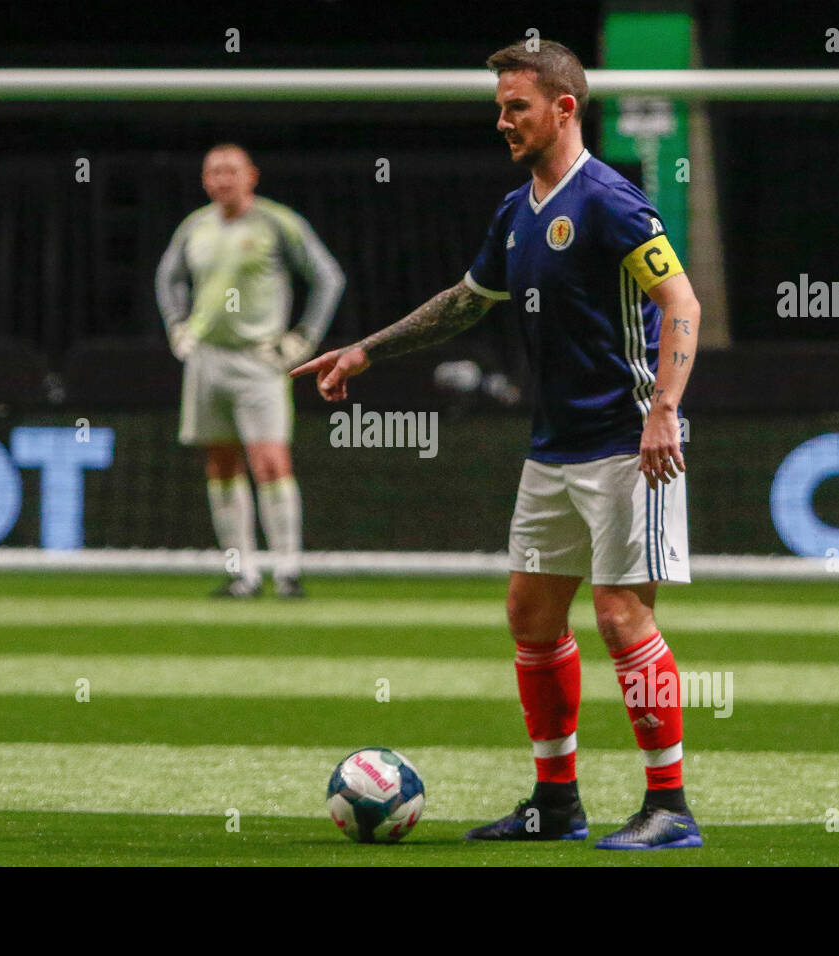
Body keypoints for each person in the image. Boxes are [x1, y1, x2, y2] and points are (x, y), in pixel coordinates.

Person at [294, 40, 704, 849]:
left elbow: (682, 302)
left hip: (629, 442)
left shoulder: (613, 201)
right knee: (530, 613)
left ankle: (670, 807)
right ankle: (556, 802)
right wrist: (365, 350)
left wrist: (664, 408)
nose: (502, 120)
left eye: (516, 106)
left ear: (563, 108)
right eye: (499, 107)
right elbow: (464, 301)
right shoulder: (516, 212)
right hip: (553, 446)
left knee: (622, 617)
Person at [156, 144, 344, 598]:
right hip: (207, 360)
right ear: (204, 180)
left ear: (251, 176)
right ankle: (243, 573)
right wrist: (177, 327)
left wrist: (304, 338)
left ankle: (287, 570)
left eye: (231, 171)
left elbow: (327, 277)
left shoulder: (278, 223)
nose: (222, 179)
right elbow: (168, 278)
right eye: (213, 172)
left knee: (270, 461)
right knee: (221, 463)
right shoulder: (194, 227)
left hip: (259, 361)